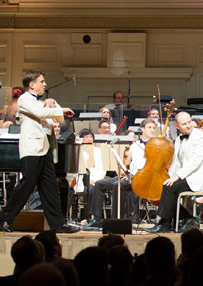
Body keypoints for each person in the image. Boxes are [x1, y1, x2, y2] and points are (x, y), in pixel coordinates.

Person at [0, 70, 79, 234]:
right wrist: (61, 109)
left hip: (45, 149)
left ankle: (57, 224)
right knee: (27, 184)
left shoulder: (40, 102)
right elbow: (41, 113)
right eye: (42, 81)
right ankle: (4, 218)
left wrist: (54, 103)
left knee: (50, 186)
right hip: (32, 149)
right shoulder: (24, 99)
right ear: (32, 84)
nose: (44, 84)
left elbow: (57, 119)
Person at [146, 112, 203, 233]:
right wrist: (171, 176)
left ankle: (164, 223)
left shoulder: (200, 137)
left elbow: (195, 162)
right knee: (168, 186)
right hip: (188, 175)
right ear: (177, 126)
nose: (188, 125)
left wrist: (177, 176)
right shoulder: (178, 139)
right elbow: (176, 162)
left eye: (189, 122)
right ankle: (188, 219)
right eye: (184, 124)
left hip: (199, 176)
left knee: (170, 188)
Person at [84, 119, 156, 228]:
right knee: (99, 184)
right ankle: (97, 218)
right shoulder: (135, 145)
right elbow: (129, 163)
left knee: (117, 185)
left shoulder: (155, 145)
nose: (152, 130)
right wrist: (124, 171)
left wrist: (134, 176)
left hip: (142, 178)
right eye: (149, 127)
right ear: (142, 129)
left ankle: (117, 219)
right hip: (130, 176)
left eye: (153, 128)